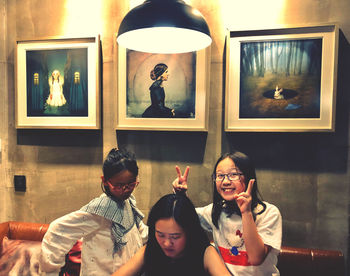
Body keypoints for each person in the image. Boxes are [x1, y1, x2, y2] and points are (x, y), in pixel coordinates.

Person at [40, 148, 148, 276]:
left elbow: (139, 232)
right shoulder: (98, 211)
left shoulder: (128, 202)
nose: (125, 190)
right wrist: (50, 272)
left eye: (130, 185)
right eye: (118, 185)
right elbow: (56, 232)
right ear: (105, 181)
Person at [173, 150, 282, 276]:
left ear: (248, 176)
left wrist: (246, 212)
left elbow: (256, 258)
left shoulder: (268, 213)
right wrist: (180, 195)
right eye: (220, 175)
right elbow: (185, 216)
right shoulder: (216, 211)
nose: (225, 181)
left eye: (233, 174)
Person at [112, 194, 231, 276]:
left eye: (175, 237)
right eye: (160, 235)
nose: (167, 243)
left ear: (189, 232)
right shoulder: (149, 250)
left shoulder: (205, 253)